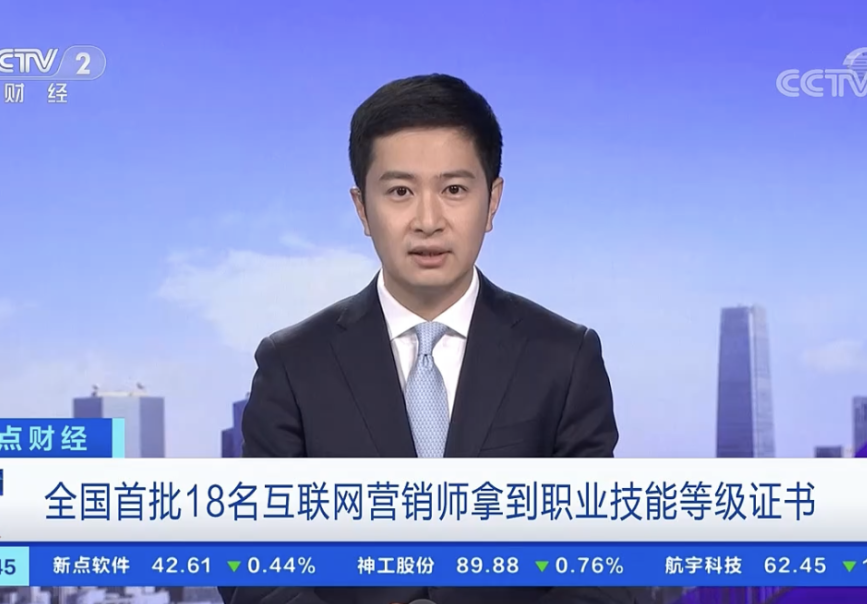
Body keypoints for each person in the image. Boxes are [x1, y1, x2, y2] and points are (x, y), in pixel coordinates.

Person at [220, 74, 642, 604]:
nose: (427, 220)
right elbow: (256, 569)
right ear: (361, 208)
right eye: (400, 191)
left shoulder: (564, 357)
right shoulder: (293, 364)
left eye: (454, 190)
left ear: (492, 202)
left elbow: (603, 568)